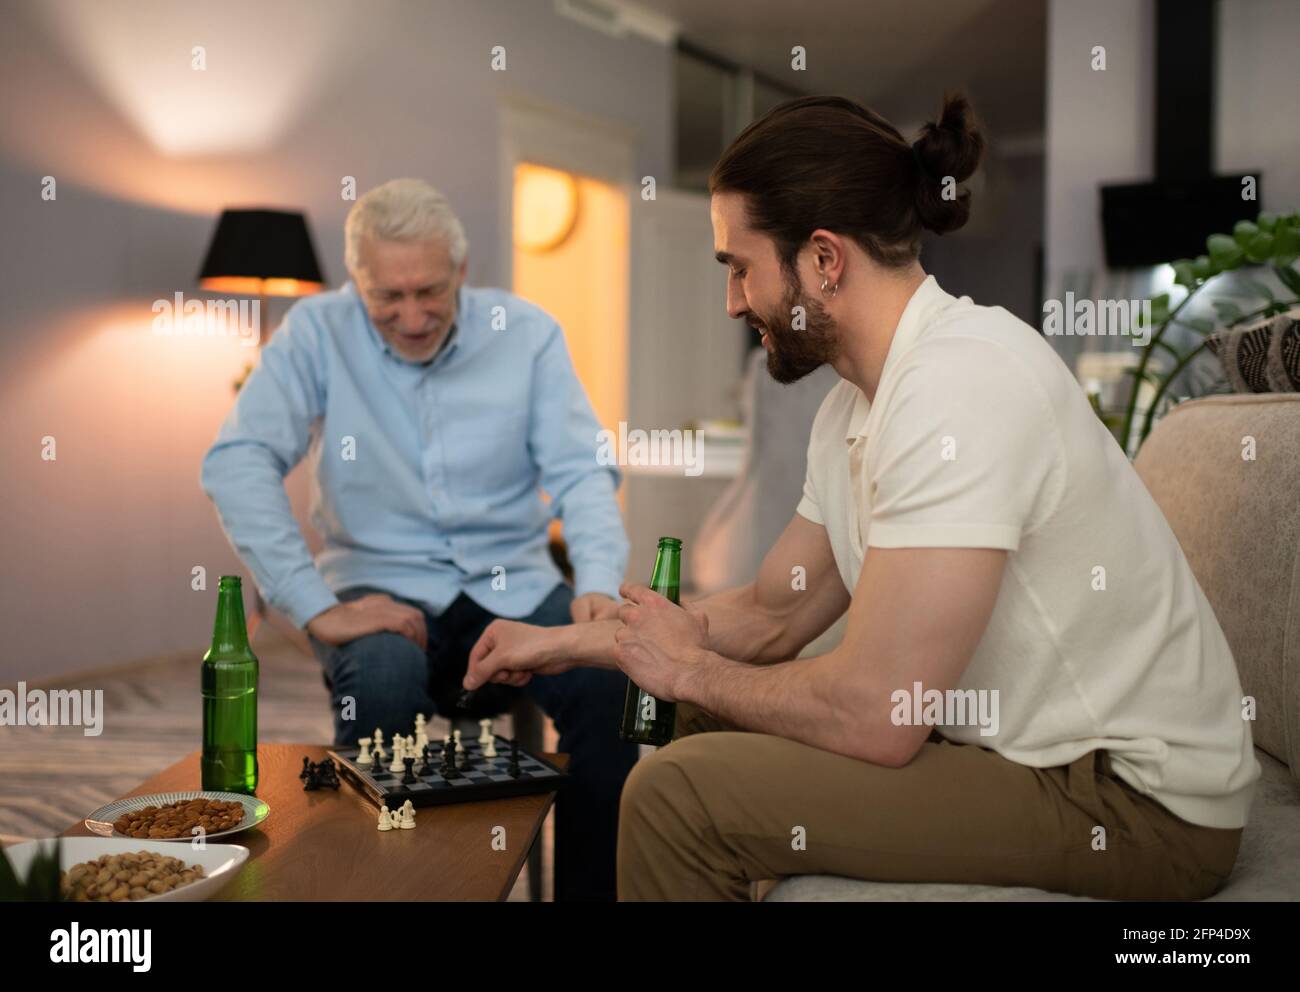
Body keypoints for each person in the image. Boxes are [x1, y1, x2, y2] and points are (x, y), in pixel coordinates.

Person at [463, 95, 1261, 901]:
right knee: (684, 719)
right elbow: (775, 614)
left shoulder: (959, 384)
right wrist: (561, 644)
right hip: (1032, 755)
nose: (733, 303)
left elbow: (880, 714)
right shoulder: (856, 405)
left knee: (679, 797)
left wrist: (691, 669)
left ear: (823, 260)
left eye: (740, 267)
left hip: (1133, 802)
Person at [201, 178, 638, 901]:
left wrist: (595, 582)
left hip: (518, 585)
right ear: (356, 282)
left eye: (429, 291)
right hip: (375, 588)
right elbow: (236, 461)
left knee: (613, 687)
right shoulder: (315, 333)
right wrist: (313, 604)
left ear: (462, 270)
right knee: (380, 683)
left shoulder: (526, 334)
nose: (411, 317)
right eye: (387, 297)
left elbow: (582, 471)